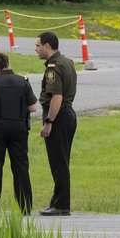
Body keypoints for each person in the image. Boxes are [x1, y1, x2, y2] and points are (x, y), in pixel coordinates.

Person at [0, 51, 37, 215]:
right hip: (19, 127)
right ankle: (25, 208)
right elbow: (33, 107)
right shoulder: (23, 81)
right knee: (21, 167)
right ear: (8, 63)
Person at [35, 30, 78, 216]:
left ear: (47, 46)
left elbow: (56, 97)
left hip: (58, 116)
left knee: (58, 163)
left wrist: (49, 121)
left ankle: (61, 206)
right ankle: (57, 201)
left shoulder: (53, 67)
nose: (36, 50)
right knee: (62, 161)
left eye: (38, 46)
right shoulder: (67, 62)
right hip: (69, 114)